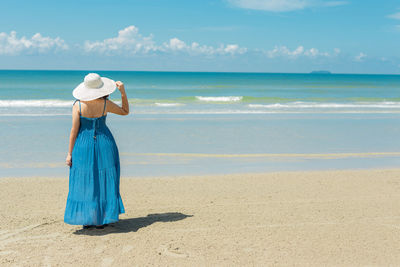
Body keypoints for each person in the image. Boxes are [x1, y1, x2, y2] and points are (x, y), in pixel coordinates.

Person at [64, 73, 129, 229]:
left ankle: (88, 220)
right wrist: (122, 92)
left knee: (84, 180)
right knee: (103, 179)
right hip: (105, 142)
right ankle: (101, 219)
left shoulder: (78, 105)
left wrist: (69, 153)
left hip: (82, 144)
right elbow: (125, 111)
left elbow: (74, 131)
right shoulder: (105, 104)